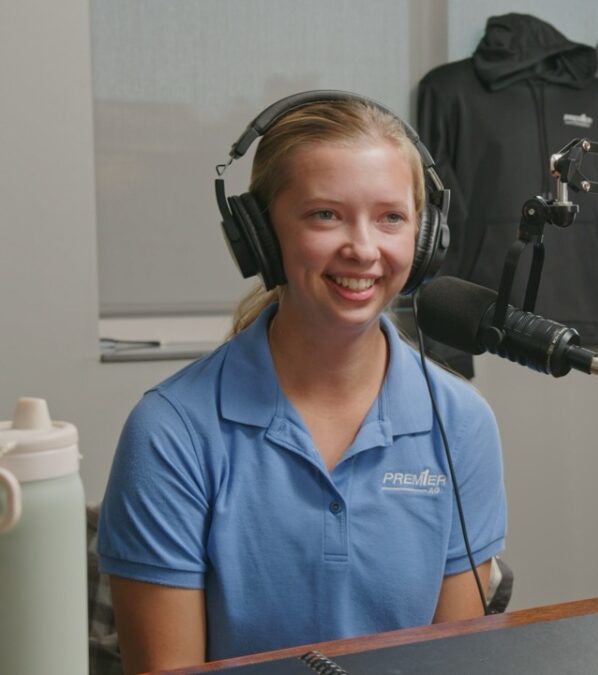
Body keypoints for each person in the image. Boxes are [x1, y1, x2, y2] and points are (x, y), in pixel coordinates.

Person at [97, 95, 507, 671]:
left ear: (425, 237)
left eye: (391, 217)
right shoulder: (171, 431)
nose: (363, 248)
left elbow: (452, 663)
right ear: (261, 235)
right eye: (325, 215)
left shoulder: (461, 422)